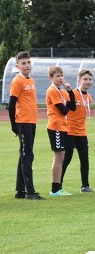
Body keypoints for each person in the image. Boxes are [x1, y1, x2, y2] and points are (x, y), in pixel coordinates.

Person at [8, 51, 44, 200]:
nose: (27, 65)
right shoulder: (17, 81)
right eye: (23, 63)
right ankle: (30, 192)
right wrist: (14, 126)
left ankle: (20, 191)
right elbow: (11, 105)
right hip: (22, 122)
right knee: (27, 155)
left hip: (31, 122)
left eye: (28, 62)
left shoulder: (31, 81)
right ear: (18, 66)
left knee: (24, 155)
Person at [45, 66, 76, 197]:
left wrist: (70, 91)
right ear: (51, 77)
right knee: (58, 157)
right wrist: (67, 105)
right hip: (55, 126)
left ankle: (58, 187)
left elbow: (72, 107)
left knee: (62, 156)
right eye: (57, 76)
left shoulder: (62, 91)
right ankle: (55, 189)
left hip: (63, 126)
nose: (61, 78)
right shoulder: (52, 90)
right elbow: (63, 110)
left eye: (62, 75)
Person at [61, 69, 94, 192]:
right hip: (69, 132)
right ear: (79, 80)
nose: (88, 81)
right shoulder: (72, 94)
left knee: (84, 159)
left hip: (82, 133)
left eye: (89, 79)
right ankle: (58, 185)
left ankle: (85, 185)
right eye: (85, 79)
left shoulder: (89, 98)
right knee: (66, 159)